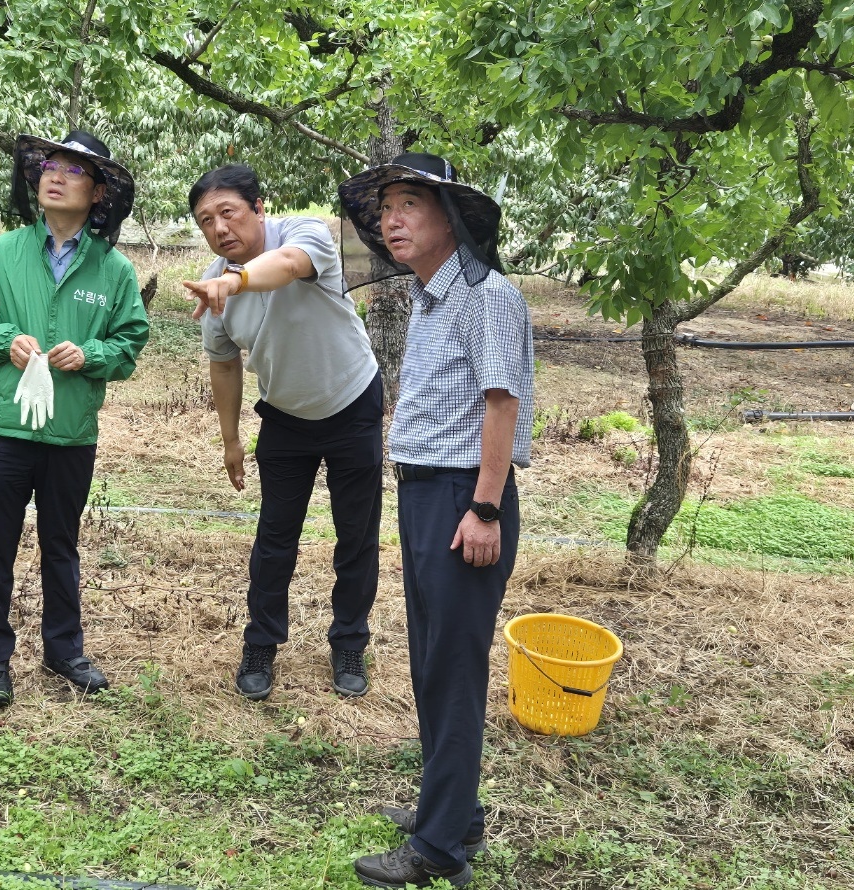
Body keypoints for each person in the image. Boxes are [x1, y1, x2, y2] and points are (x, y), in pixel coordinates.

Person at [338, 153, 534, 888]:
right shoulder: (430, 297)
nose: (391, 219)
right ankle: (453, 812)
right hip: (426, 492)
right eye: (385, 206)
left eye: (408, 204)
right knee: (430, 661)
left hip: (462, 499)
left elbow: (500, 404)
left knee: (450, 670)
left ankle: (438, 850)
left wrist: (483, 508)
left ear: (447, 217)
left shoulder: (484, 295)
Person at [0, 131, 149, 706]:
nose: (54, 175)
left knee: (61, 543)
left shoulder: (113, 271)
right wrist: (4, 339)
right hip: (3, 428)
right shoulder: (4, 253)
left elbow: (131, 341)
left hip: (71, 432)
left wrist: (93, 355)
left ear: (98, 193)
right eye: (49, 165)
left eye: (73, 170)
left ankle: (64, 650)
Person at [182, 165, 383, 701]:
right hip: (285, 416)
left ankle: (348, 643)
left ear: (259, 207)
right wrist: (230, 440)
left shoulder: (306, 234)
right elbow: (223, 364)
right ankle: (262, 645)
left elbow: (290, 266)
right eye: (207, 220)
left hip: (351, 400)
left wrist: (237, 280)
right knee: (275, 538)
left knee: (356, 537)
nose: (220, 228)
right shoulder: (213, 284)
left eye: (229, 212)